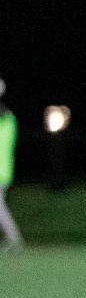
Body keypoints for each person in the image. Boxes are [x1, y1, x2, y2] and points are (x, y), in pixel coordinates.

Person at [0, 80, 21, 252]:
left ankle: (14, 236)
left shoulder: (7, 121)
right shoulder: (10, 119)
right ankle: (12, 237)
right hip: (6, 171)